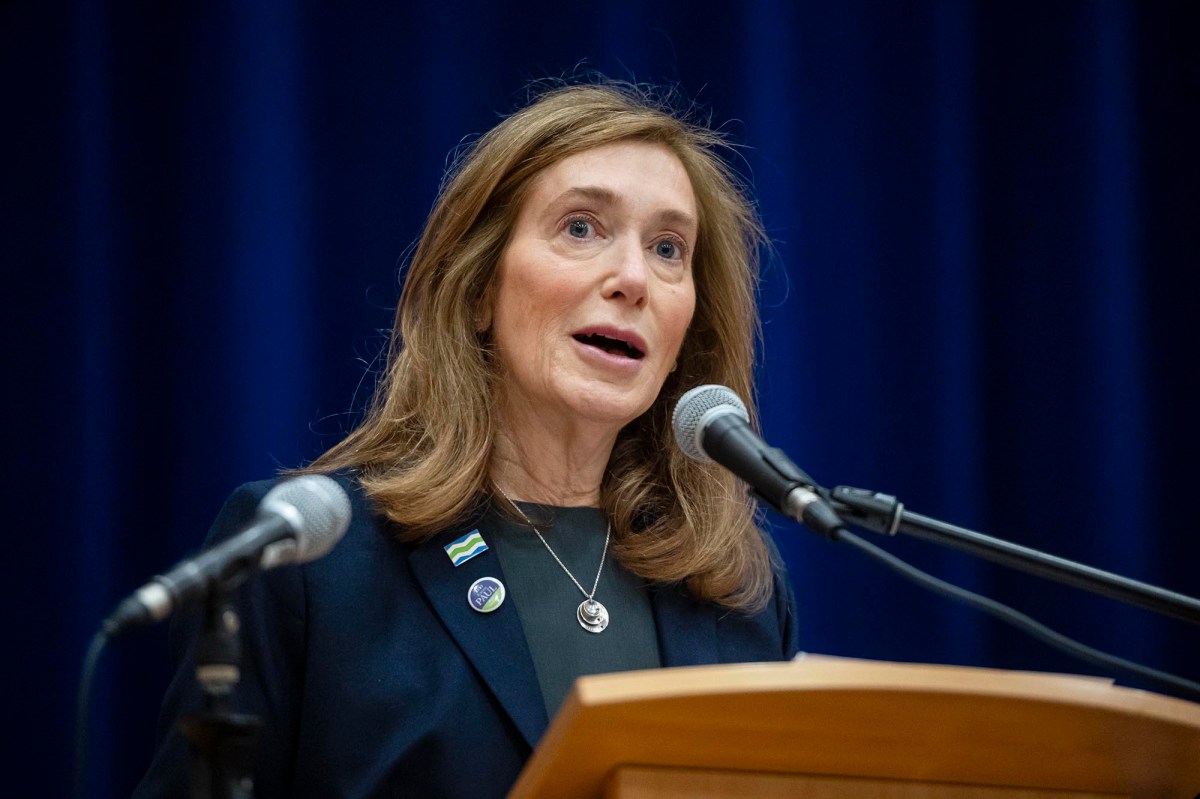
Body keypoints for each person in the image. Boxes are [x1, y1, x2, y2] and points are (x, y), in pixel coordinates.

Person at [134, 81, 798, 799]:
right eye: (581, 228)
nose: (633, 278)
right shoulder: (304, 564)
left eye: (668, 248)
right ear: (479, 289)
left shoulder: (738, 596)